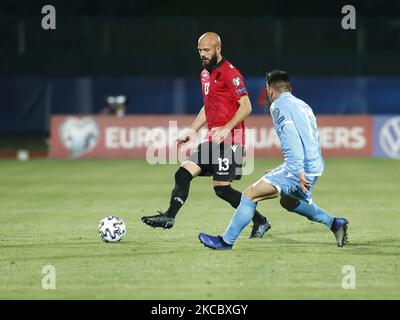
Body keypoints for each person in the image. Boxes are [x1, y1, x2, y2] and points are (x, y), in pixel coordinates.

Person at [198, 69, 349, 250]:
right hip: (315, 166)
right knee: (289, 202)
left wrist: (296, 169)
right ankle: (335, 223)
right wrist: (288, 168)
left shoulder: (277, 106)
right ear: (289, 88)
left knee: (249, 195)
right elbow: (310, 138)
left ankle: (225, 241)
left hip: (299, 167)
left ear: (269, 90)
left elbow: (291, 138)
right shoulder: (303, 105)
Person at [141, 32, 271, 238]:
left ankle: (261, 221)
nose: (202, 54)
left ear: (218, 49)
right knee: (182, 174)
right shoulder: (204, 74)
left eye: (206, 50)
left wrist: (227, 127)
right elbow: (208, 106)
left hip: (232, 142)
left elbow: (246, 106)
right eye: (200, 50)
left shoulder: (231, 73)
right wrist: (192, 130)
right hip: (212, 141)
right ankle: (169, 216)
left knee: (222, 190)